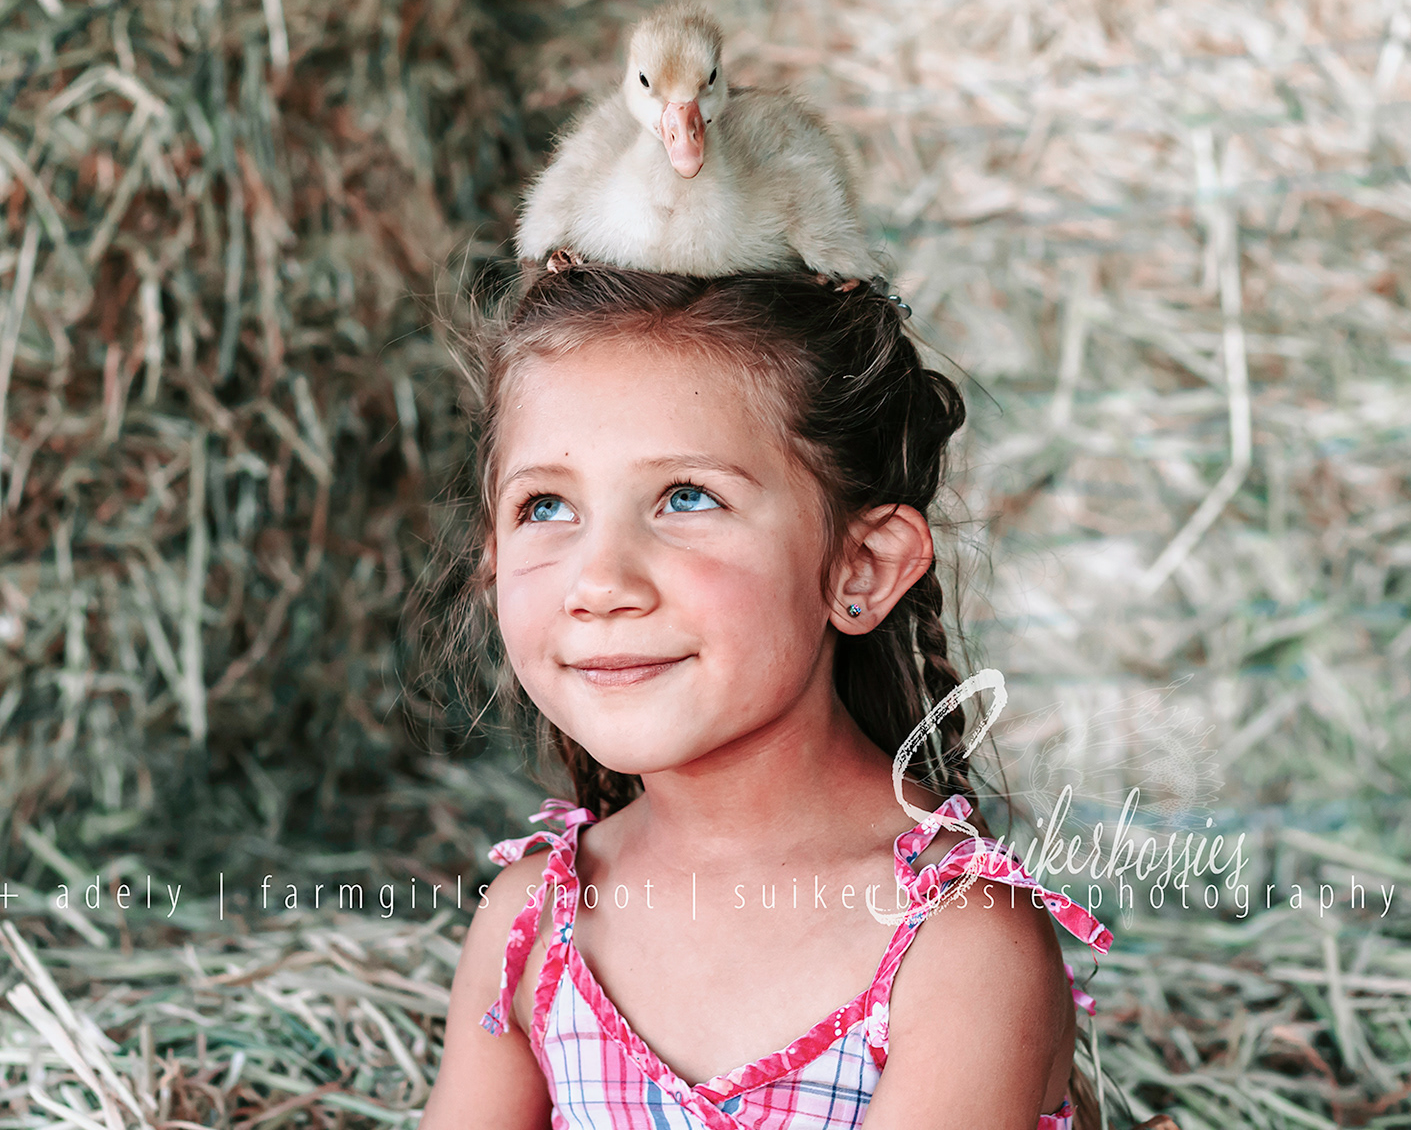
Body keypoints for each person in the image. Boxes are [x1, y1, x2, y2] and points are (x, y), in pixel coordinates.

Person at [412, 263, 1112, 1128]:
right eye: (546, 506)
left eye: (686, 497)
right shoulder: (532, 924)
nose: (597, 583)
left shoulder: (955, 943)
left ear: (862, 567)